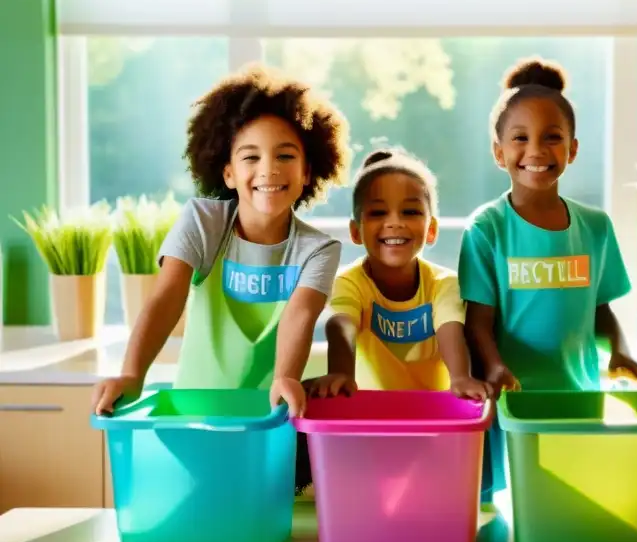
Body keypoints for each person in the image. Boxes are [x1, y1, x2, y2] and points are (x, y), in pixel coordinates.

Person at [90, 65, 354, 492]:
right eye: (251, 156)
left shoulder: (318, 250)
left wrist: (286, 376)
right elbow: (167, 296)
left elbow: (300, 315)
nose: (269, 169)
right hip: (196, 418)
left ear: (308, 172)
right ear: (227, 172)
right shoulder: (204, 221)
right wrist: (132, 373)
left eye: (286, 155)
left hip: (268, 422)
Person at [460, 58, 637, 503]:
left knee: (572, 499)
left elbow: (599, 308)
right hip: (513, 399)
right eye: (520, 138)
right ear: (498, 151)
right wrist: (492, 367)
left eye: (553, 138)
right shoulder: (486, 228)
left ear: (573, 148)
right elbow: (478, 321)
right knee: (519, 503)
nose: (537, 150)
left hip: (579, 396)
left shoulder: (595, 226)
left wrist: (621, 350)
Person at [324, 148, 490, 400]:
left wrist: (460, 377)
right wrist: (340, 373)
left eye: (410, 212)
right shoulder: (349, 283)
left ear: (431, 229)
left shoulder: (444, 284)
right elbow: (342, 324)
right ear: (355, 231)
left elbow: (450, 328)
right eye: (378, 213)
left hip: (434, 417)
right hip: (372, 417)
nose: (394, 223)